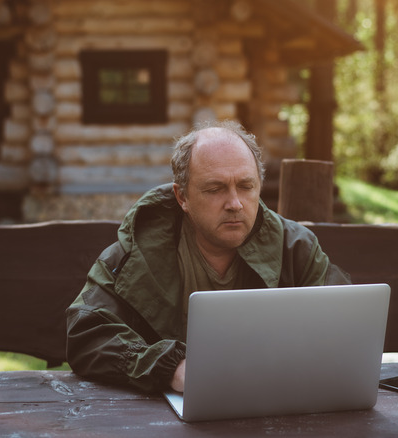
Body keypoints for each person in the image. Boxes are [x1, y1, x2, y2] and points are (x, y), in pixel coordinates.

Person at [65, 120, 350, 394]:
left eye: (246, 186)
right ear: (182, 197)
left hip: (277, 408)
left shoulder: (296, 248)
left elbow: (346, 325)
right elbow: (87, 332)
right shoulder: (136, 253)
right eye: (215, 189)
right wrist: (171, 369)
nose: (235, 204)